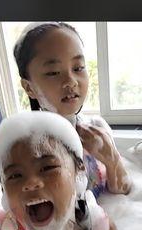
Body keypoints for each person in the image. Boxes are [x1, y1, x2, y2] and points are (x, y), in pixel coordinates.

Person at [14, 22, 131, 199]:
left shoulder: (97, 128)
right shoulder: (28, 150)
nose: (71, 81)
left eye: (78, 68)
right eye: (53, 72)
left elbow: (122, 191)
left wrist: (111, 157)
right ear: (29, 88)